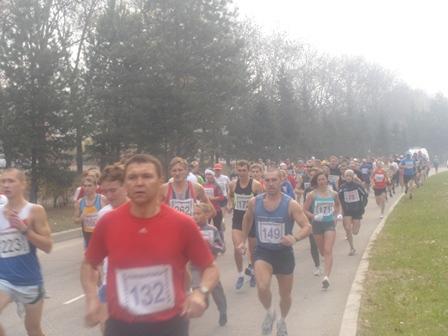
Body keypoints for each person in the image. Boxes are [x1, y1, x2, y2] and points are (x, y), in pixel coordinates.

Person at [81, 154, 219, 336]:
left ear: (160, 182)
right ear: (126, 184)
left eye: (146, 176)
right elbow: (89, 264)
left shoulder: (182, 224)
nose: (139, 182)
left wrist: (200, 293)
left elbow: (210, 267)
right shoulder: (108, 223)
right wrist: (92, 299)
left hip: (170, 325)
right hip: (121, 325)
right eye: (132, 177)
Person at [238, 169, 311, 336]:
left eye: (274, 180)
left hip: (284, 254)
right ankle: (270, 312)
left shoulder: (291, 204)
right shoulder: (254, 202)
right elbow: (247, 219)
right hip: (263, 252)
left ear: (281, 181)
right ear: (263, 182)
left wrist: (294, 237)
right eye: (267, 180)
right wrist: (242, 240)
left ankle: (281, 320)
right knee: (262, 286)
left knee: (285, 295)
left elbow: (307, 226)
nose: (270, 183)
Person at [0, 168, 53, 336]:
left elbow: (48, 246)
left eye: (11, 181)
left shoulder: (34, 210)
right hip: (5, 279)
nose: (6, 185)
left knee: (33, 329)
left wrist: (25, 230)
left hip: (29, 281)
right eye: (3, 181)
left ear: (23, 184)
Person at [95, 164, 129, 333]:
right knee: (106, 328)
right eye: (105, 191)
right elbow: (96, 255)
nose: (109, 196)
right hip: (110, 283)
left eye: (113, 190)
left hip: (136, 285)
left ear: (125, 187)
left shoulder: (141, 211)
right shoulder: (103, 215)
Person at [228, 160, 263, 289]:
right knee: (238, 248)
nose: (241, 173)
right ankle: (240, 274)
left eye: (244, 170)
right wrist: (230, 204)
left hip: (252, 220)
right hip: (237, 220)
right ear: (236, 170)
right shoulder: (232, 184)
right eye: (239, 170)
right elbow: (231, 196)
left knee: (253, 251)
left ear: (248, 171)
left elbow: (262, 202)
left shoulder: (256, 185)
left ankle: (253, 271)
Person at [304, 172, 342, 290]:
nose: (321, 181)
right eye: (319, 179)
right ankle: (325, 265)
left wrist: (337, 215)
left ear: (327, 180)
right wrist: (313, 216)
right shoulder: (312, 195)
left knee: (327, 250)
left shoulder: (334, 193)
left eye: (323, 179)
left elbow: (337, 205)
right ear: (317, 181)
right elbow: (304, 210)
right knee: (322, 252)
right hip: (317, 225)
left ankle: (326, 277)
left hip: (329, 223)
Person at [191, 203, 227, 326]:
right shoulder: (190, 228)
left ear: (206, 215)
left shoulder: (212, 230)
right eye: (194, 213)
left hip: (209, 267)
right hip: (194, 267)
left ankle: (223, 311)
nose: (195, 216)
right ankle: (203, 302)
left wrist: (211, 246)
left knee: (217, 291)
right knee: (198, 290)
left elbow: (222, 248)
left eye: (198, 213)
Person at [338, 170, 368, 255]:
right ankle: (352, 248)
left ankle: (357, 225)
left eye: (350, 175)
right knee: (348, 228)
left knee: (355, 232)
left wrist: (362, 206)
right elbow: (338, 198)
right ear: (344, 177)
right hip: (347, 211)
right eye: (346, 175)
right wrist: (341, 209)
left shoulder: (357, 186)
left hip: (357, 210)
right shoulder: (342, 187)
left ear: (353, 177)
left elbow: (365, 196)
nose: (348, 177)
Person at [74, 175, 107, 248]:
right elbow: (75, 220)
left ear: (95, 187)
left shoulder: (102, 199)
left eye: (89, 186)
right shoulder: (80, 202)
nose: (87, 188)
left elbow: (109, 218)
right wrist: (80, 218)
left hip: (101, 236)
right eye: (85, 186)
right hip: (87, 237)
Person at [202, 169, 225, 239]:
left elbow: (222, 197)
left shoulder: (217, 185)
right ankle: (207, 241)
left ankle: (220, 241)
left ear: (213, 176)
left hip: (216, 209)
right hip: (206, 210)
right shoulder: (203, 185)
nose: (208, 176)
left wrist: (212, 198)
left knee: (217, 227)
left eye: (210, 174)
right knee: (205, 226)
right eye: (207, 174)